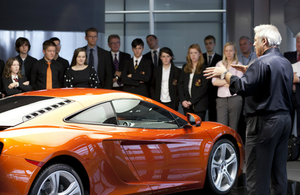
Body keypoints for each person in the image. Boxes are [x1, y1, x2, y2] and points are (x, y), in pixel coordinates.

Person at [204, 24, 293, 195]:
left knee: (256, 175)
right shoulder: (285, 63)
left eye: (257, 41)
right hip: (284, 121)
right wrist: (249, 71)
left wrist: (224, 73)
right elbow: (270, 84)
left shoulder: (260, 63)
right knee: (279, 174)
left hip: (264, 123)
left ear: (265, 41)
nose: (254, 44)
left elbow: (242, 87)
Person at [212, 42, 243, 131]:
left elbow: (238, 82)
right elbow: (214, 82)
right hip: (221, 99)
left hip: (235, 98)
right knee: (222, 127)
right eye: (226, 51)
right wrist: (229, 81)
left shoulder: (239, 65)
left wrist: (223, 81)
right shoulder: (219, 64)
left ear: (235, 52)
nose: (228, 53)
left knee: (233, 127)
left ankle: (233, 145)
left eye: (230, 51)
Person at [178, 44, 209, 120]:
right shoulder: (185, 67)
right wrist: (183, 100)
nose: (193, 55)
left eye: (195, 53)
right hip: (187, 105)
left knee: (198, 129)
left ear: (200, 54)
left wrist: (191, 102)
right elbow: (180, 84)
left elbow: (203, 89)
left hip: (199, 105)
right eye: (191, 53)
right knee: (188, 127)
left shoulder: (204, 68)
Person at [284, 32, 300, 141]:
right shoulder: (287, 56)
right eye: (298, 41)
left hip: (299, 95)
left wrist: (298, 79)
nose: (299, 44)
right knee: (287, 124)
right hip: (288, 95)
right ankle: (288, 150)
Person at [203, 35, 223, 122]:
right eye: (206, 44)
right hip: (202, 90)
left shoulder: (220, 58)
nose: (208, 45)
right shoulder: (201, 57)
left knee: (213, 115)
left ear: (214, 44)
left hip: (214, 90)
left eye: (210, 43)